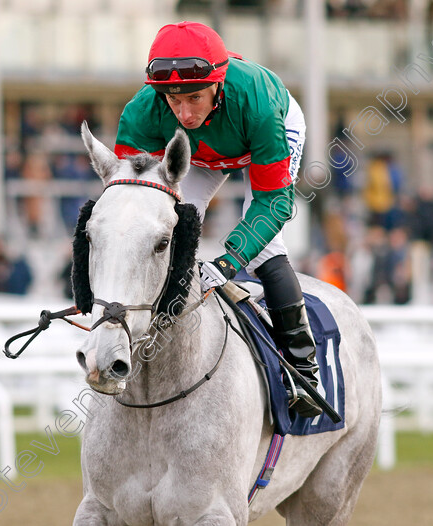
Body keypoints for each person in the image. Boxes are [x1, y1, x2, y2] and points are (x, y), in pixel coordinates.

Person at [114, 21, 320, 417]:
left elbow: (274, 202)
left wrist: (229, 261)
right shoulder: (142, 112)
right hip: (202, 152)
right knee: (171, 222)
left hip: (259, 135)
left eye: (194, 97)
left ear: (218, 84)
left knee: (264, 248)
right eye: (173, 100)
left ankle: (304, 372)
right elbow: (131, 202)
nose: (185, 112)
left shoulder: (257, 103)